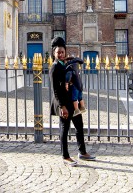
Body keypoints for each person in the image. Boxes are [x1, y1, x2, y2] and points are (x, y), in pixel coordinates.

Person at [49, 36, 95, 166]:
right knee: (64, 129)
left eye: (62, 52)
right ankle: (65, 156)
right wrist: (62, 106)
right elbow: (55, 90)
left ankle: (82, 152)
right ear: (54, 53)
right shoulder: (54, 68)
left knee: (79, 126)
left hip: (72, 101)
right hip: (63, 103)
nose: (61, 54)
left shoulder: (66, 63)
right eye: (58, 52)